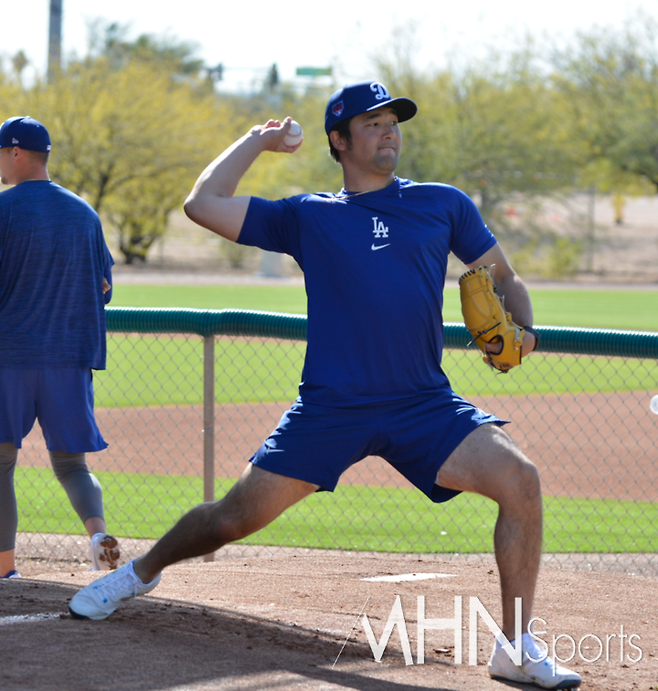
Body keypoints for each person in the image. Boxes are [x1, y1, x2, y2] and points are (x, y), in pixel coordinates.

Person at [69, 83, 580, 689]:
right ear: (339, 141)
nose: (389, 130)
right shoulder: (309, 216)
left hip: (422, 402)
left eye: (393, 121)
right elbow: (202, 203)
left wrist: (526, 329)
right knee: (231, 518)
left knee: (520, 480)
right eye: (372, 124)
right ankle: (140, 572)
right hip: (332, 407)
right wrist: (257, 141)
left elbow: (503, 274)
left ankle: (516, 647)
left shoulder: (443, 204)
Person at [0, 116, 120, 578]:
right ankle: (98, 536)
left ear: (16, 153)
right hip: (69, 360)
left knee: (1, 465)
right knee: (71, 465)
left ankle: (6, 570)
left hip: (9, 358)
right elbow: (105, 288)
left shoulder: (4, 211)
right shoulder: (84, 213)